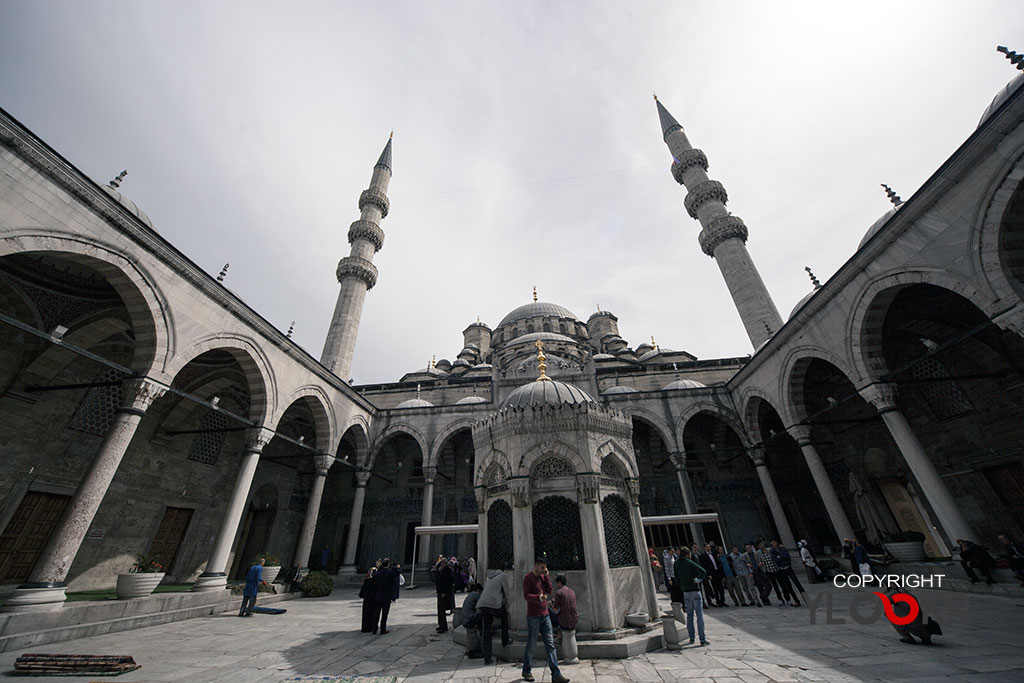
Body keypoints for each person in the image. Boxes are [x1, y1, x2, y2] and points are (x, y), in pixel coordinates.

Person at [521, 558, 570, 683]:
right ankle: (526, 671)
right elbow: (526, 595)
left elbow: (549, 590)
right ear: (535, 566)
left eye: (545, 568)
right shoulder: (528, 578)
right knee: (531, 645)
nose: (544, 570)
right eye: (542, 567)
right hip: (533, 616)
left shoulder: (543, 577)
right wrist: (538, 597)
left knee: (550, 645)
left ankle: (556, 674)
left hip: (545, 615)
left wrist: (547, 577)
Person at [674, 546, 709, 646]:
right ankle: (702, 639)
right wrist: (698, 581)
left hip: (686, 591)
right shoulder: (689, 562)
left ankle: (692, 637)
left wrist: (682, 586)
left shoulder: (677, 564)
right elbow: (703, 571)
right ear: (687, 554)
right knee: (699, 615)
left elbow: (676, 577)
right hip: (695, 590)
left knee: (689, 615)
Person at [477, 567, 510, 665]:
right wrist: (508, 607)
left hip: (482, 604)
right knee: (504, 617)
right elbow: (507, 593)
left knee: (486, 630)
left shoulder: (489, 577)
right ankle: (505, 641)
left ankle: (487, 657)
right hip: (493, 605)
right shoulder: (503, 576)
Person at [770, 539, 804, 606]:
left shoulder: (782, 548)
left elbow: (787, 556)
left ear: (777, 542)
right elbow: (775, 559)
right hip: (781, 569)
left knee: (797, 584)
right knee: (788, 586)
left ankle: (806, 599)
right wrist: (781, 557)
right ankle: (796, 601)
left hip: (788, 567)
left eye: (774, 542)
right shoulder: (772, 551)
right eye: (772, 543)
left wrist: (780, 557)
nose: (774, 544)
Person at [371, 558, 398, 635]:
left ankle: (374, 629)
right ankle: (383, 629)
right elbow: (393, 583)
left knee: (376, 613)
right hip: (386, 595)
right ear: (388, 564)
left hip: (378, 594)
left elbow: (374, 582)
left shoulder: (378, 573)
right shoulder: (390, 573)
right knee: (384, 613)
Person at [551, 574, 579, 642]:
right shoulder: (572, 591)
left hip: (564, 622)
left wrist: (551, 604)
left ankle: (559, 633)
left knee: (550, 612)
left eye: (557, 583)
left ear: (560, 582)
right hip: (574, 621)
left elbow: (555, 609)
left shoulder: (559, 592)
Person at [461, 583, 484, 657]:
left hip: (464, 618)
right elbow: (481, 606)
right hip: (469, 619)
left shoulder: (470, 595)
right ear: (478, 590)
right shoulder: (476, 595)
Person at [702, 543, 726, 607]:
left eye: (709, 547)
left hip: (717, 572)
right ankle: (718, 601)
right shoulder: (703, 556)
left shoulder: (714, 554)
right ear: (705, 548)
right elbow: (705, 566)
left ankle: (722, 601)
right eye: (707, 547)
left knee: (721, 587)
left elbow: (718, 562)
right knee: (715, 588)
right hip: (712, 574)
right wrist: (708, 574)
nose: (708, 548)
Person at [435, 556, 455, 633]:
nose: (440, 564)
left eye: (441, 562)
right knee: (440, 610)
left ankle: (443, 627)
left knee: (442, 610)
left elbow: (448, 582)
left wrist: (444, 592)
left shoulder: (447, 570)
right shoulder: (441, 570)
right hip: (440, 591)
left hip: (443, 593)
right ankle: (441, 625)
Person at [358, 566, 377, 632]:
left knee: (366, 614)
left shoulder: (367, 580)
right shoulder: (375, 581)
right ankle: (371, 627)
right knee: (372, 614)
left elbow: (362, 591)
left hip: (366, 600)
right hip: (373, 600)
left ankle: (365, 627)